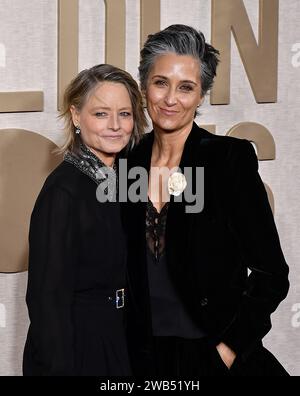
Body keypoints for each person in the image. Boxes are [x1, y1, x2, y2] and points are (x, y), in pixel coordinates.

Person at [123, 25, 290, 376]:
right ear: (143, 86)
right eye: (160, 82)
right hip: (143, 358)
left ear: (201, 96)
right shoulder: (126, 164)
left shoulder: (227, 160)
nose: (171, 99)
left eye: (186, 87)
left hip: (213, 356)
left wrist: (227, 350)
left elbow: (272, 273)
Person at [23, 64, 147, 376]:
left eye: (125, 114)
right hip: (80, 347)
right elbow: (46, 301)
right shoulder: (64, 191)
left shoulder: (126, 183)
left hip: (123, 337)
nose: (115, 125)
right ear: (77, 116)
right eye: (101, 113)